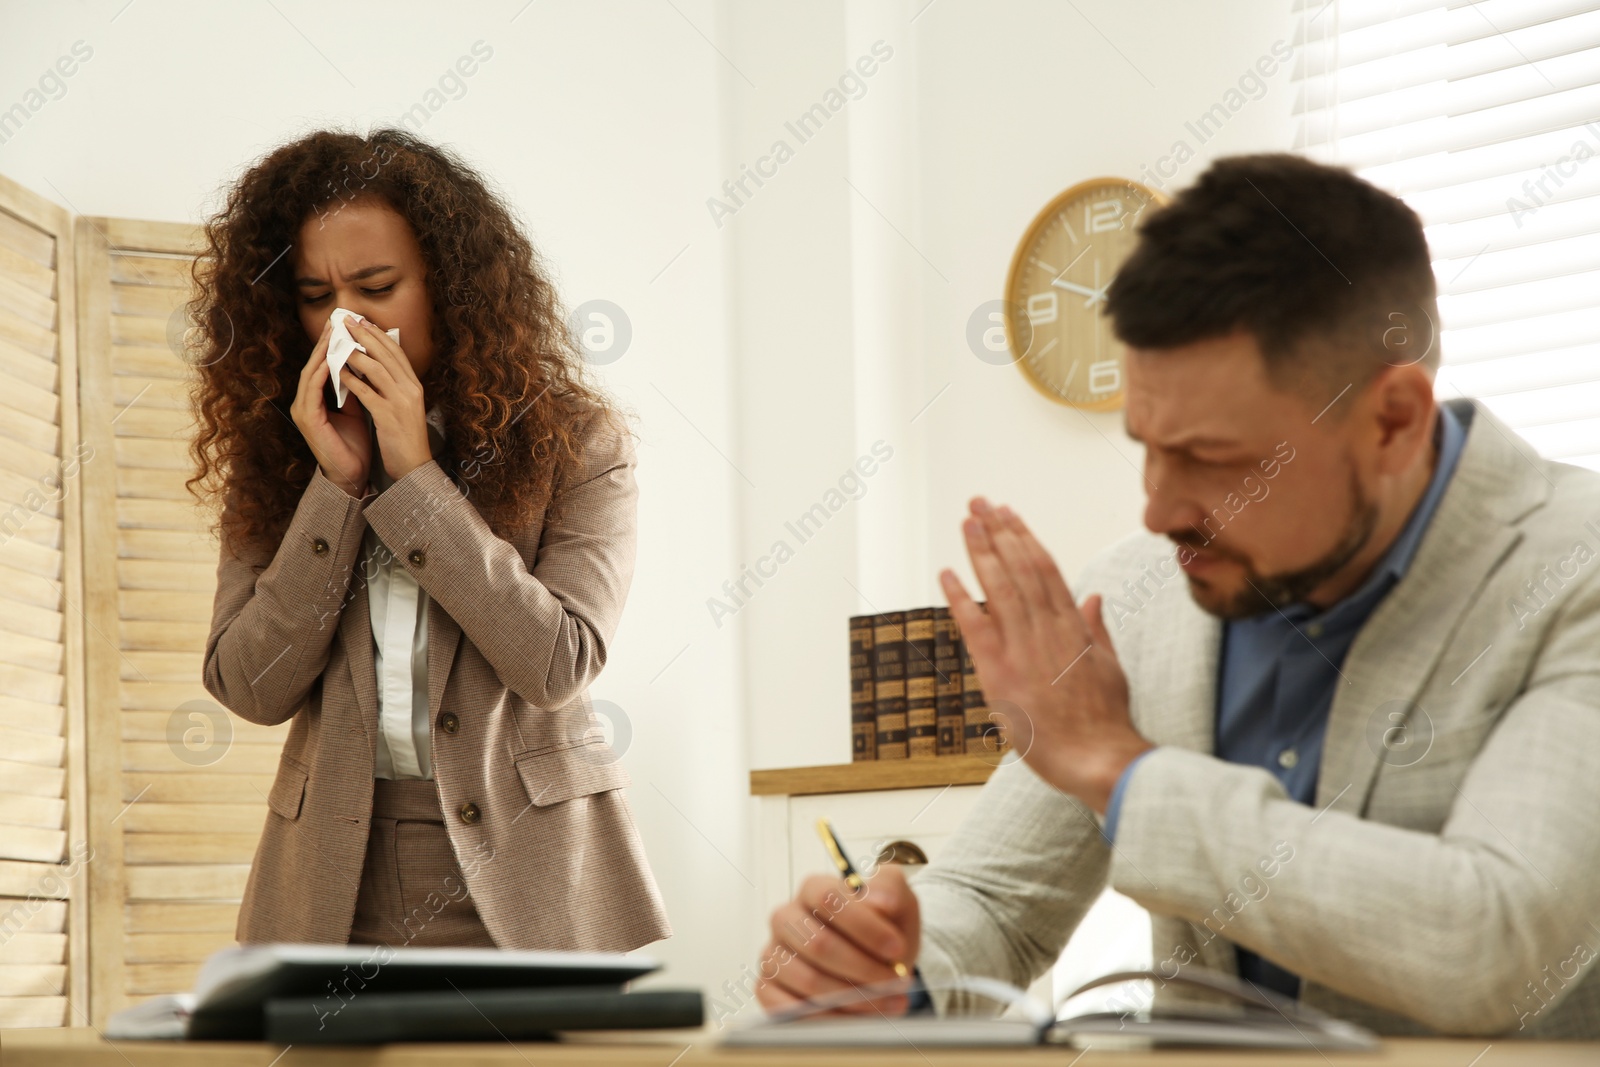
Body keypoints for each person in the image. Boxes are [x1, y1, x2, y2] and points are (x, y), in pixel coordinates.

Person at [755, 153, 1600, 1037]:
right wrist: (892, 967)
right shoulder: (1135, 590)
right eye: (1147, 445)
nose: (1157, 509)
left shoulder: (1574, 571)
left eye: (1213, 457)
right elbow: (999, 902)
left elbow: (1501, 944)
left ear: (1392, 419)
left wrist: (1122, 768)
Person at [191, 127, 670, 953]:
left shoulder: (580, 443)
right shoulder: (279, 460)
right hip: (334, 878)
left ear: (449, 285)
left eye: (376, 285)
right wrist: (337, 486)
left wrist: (416, 482)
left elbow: (555, 662)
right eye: (315, 294)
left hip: (535, 874)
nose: (345, 320)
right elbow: (249, 686)